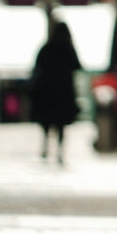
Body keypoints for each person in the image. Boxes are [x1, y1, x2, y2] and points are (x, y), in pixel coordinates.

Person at [30, 22, 82, 163]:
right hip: (63, 92)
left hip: (47, 91)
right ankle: (60, 151)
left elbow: (37, 67)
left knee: (46, 122)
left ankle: (46, 147)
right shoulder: (68, 49)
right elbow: (77, 66)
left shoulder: (46, 48)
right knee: (61, 125)